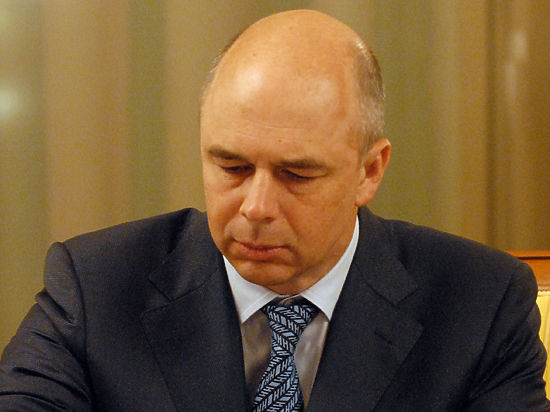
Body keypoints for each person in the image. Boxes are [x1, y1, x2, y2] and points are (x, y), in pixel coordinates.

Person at [0, 9, 548, 411]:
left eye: (297, 175)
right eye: (232, 167)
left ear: (369, 171)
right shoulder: (96, 288)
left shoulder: (479, 304)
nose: (256, 207)